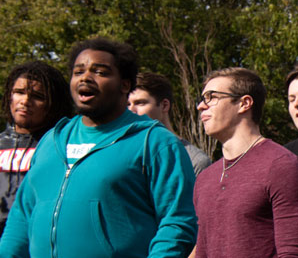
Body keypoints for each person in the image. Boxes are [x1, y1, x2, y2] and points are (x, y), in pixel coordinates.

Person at [0, 37, 197, 257]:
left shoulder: (154, 142)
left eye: (100, 72)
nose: (86, 77)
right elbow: (21, 217)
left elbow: (178, 222)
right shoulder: (51, 141)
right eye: (78, 71)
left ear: (125, 85)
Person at [193, 67, 298, 257]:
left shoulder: (282, 166)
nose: (201, 106)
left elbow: (293, 252)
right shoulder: (205, 178)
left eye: (212, 97)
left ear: (244, 103)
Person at [0, 61, 72, 237]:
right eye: (19, 92)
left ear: (53, 105)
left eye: (37, 96)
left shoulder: (62, 148)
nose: (25, 101)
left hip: (38, 239)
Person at [128, 72, 213, 175]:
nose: (131, 109)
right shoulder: (121, 154)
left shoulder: (194, 160)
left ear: (164, 105)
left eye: (140, 103)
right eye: (127, 104)